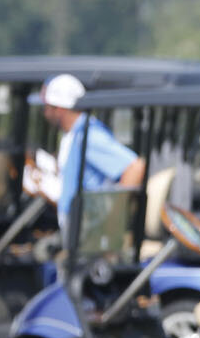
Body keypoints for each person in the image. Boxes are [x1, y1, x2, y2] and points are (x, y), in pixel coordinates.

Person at [38, 73, 143, 235]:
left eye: (47, 108)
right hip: (78, 229)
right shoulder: (74, 134)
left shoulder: (89, 135)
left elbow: (135, 167)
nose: (45, 114)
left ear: (59, 109)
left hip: (88, 231)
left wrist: (111, 223)